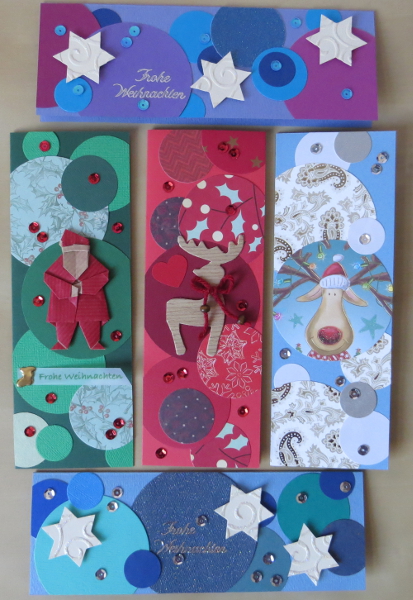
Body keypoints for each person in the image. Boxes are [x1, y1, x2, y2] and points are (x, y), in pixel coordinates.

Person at [44, 229, 109, 350]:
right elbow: (49, 278)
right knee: (63, 320)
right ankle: (62, 342)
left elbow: (103, 276)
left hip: (90, 301)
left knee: (91, 319)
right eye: (72, 252)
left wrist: (84, 286)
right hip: (64, 301)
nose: (76, 256)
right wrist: (68, 289)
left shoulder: (93, 262)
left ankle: (94, 342)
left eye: (80, 253)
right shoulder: (59, 263)